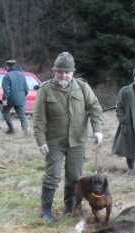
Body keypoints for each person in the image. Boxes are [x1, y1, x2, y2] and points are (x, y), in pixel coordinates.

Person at [33, 52, 103, 221]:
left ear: (73, 72)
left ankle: (70, 207)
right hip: (54, 141)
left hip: (77, 141)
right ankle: (46, 210)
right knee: (52, 176)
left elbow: (94, 108)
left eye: (67, 72)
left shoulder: (82, 87)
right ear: (54, 71)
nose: (63, 75)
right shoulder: (46, 90)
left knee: (74, 178)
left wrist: (97, 129)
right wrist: (41, 141)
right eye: (60, 71)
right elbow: (38, 118)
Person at [1, 59, 29, 134]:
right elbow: (26, 89)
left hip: (10, 98)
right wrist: (22, 96)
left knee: (5, 112)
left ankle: (11, 129)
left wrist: (4, 99)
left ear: (7, 66)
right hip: (20, 99)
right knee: (22, 115)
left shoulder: (7, 76)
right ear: (15, 65)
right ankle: (25, 131)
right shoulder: (22, 75)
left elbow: (6, 89)